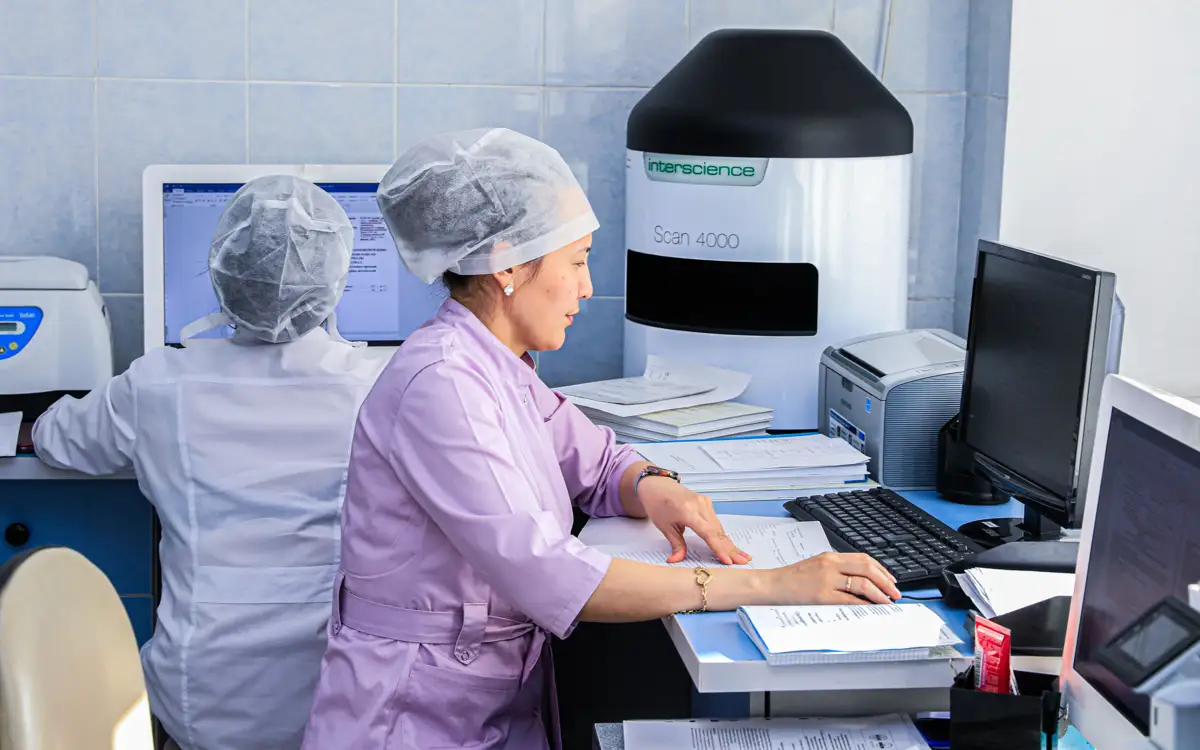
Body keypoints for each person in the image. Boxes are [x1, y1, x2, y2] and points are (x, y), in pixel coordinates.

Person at [301, 128, 900, 750]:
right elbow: (552, 575)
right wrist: (773, 584)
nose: (586, 288)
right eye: (577, 260)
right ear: (507, 265)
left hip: (480, 695)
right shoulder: (442, 384)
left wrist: (654, 485)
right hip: (410, 714)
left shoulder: (495, 363)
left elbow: (597, 460)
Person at [34, 176, 386, 750]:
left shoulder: (159, 383)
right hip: (335, 702)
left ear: (223, 271)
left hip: (201, 706)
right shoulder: (379, 385)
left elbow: (58, 439)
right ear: (334, 280)